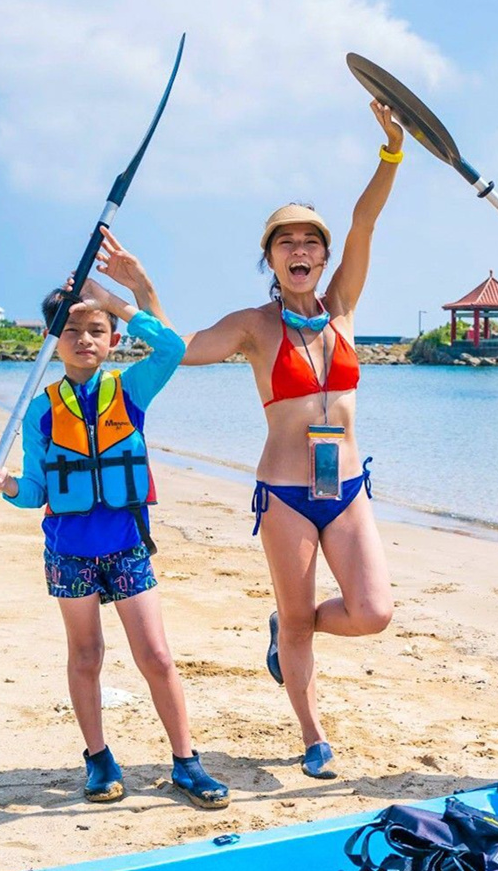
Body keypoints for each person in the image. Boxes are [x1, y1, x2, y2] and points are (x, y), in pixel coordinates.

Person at [160, 101, 403, 780]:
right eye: (285, 242)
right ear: (269, 256)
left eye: (310, 242)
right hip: (288, 493)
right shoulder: (253, 326)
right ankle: (313, 734)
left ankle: (287, 626)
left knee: (373, 612)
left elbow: (366, 220)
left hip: (347, 488)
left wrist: (390, 151)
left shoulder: (345, 306)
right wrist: (135, 302)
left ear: (324, 257)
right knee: (299, 622)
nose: (301, 250)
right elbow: (181, 349)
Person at [0, 243, 229, 809]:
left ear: (113, 339)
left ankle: (186, 762)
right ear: (53, 341)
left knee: (157, 656)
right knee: (86, 656)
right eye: (71, 330)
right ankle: (98, 759)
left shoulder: (130, 390)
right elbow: (37, 492)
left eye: (96, 329)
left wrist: (117, 296)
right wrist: (7, 484)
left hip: (126, 545)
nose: (84, 339)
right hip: (69, 551)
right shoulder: (40, 412)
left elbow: (173, 346)